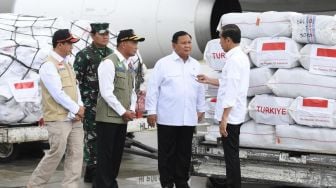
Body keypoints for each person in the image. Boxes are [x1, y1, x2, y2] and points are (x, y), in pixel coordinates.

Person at [145, 31, 206, 188]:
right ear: (174, 45)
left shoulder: (195, 64)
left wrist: (201, 108)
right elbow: (153, 89)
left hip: (188, 117)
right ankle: (167, 182)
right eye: (183, 43)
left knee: (184, 152)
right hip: (168, 117)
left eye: (189, 43)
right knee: (167, 153)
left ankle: (181, 181)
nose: (187, 46)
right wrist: (151, 111)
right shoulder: (163, 64)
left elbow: (200, 88)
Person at [27, 29, 85, 188]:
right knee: (56, 153)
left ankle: (70, 185)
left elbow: (75, 87)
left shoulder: (67, 63)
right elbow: (57, 93)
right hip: (58, 118)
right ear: (60, 44)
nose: (72, 47)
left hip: (74, 117)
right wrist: (76, 108)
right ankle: (35, 184)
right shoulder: (48, 65)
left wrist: (80, 107)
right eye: (70, 43)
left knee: (76, 153)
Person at [197, 24, 250, 188]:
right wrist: (209, 80)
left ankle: (233, 185)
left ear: (228, 40)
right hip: (235, 114)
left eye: (220, 39)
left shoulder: (234, 60)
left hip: (231, 117)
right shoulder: (239, 57)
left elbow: (231, 91)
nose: (219, 43)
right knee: (231, 154)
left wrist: (224, 119)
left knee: (231, 156)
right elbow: (227, 82)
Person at [94, 29, 145, 188]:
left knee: (116, 156)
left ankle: (109, 183)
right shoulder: (109, 62)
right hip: (109, 117)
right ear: (123, 43)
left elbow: (131, 90)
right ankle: (104, 185)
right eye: (134, 42)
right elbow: (106, 92)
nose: (136, 47)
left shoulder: (128, 64)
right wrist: (123, 111)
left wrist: (129, 109)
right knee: (106, 155)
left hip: (122, 117)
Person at [73, 23, 113, 183]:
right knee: (92, 138)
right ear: (92, 35)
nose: (105, 37)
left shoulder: (112, 55)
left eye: (107, 34)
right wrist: (79, 105)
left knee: (107, 138)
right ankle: (92, 169)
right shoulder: (84, 55)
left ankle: (103, 169)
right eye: (101, 34)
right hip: (90, 105)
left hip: (109, 105)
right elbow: (76, 81)